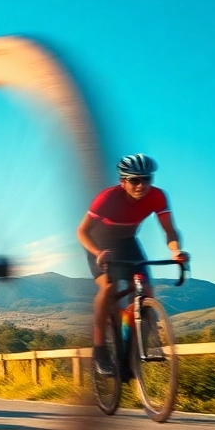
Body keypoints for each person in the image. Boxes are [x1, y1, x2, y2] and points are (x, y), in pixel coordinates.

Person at [77, 154, 189, 376]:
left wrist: (175, 251)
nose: (141, 185)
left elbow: (169, 231)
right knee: (109, 289)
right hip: (99, 244)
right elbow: (82, 231)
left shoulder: (157, 197)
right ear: (123, 182)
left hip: (128, 243)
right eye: (134, 180)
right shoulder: (107, 198)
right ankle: (100, 350)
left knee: (146, 291)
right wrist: (98, 252)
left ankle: (130, 351)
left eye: (146, 179)